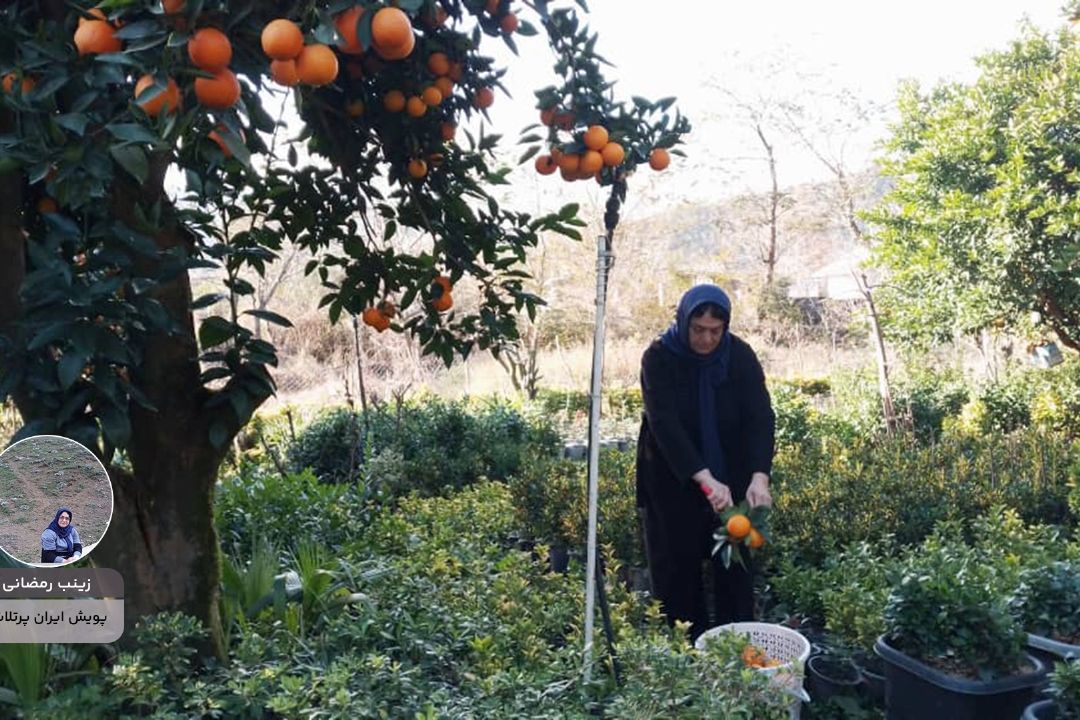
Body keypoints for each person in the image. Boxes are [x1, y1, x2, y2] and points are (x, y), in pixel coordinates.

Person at [636, 284, 776, 640]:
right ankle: (685, 656)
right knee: (677, 573)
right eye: (698, 329)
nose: (707, 339)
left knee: (735, 569)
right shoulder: (659, 358)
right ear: (683, 322)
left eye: (716, 331)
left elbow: (760, 416)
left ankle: (734, 649)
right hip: (673, 477)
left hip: (734, 477)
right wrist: (704, 478)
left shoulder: (739, 356)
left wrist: (760, 477)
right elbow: (664, 424)